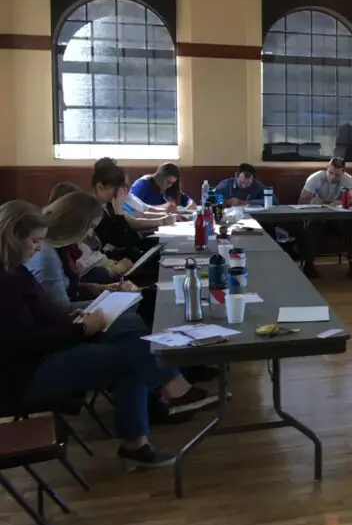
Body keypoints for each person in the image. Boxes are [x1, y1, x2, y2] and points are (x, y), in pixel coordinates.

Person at [0, 201, 215, 469]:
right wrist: (80, 329)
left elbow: (45, 316)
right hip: (26, 373)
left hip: (47, 351)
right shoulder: (6, 281)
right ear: (12, 238)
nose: (37, 248)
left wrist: (79, 322)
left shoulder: (17, 271)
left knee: (130, 344)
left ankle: (141, 438)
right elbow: (27, 341)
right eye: (33, 241)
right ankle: (170, 396)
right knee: (131, 356)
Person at [299, 157, 352, 278]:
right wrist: (311, 199)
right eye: (331, 173)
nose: (333, 177)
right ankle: (308, 264)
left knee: (351, 224)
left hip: (338, 218)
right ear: (327, 168)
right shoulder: (316, 177)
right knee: (312, 227)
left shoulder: (348, 180)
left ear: (343, 172)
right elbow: (302, 198)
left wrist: (337, 202)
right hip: (319, 217)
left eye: (337, 175)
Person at [92, 164, 164, 262]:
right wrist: (119, 214)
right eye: (118, 189)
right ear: (100, 187)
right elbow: (122, 244)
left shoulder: (110, 205)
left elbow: (133, 240)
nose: (122, 193)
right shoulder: (94, 212)